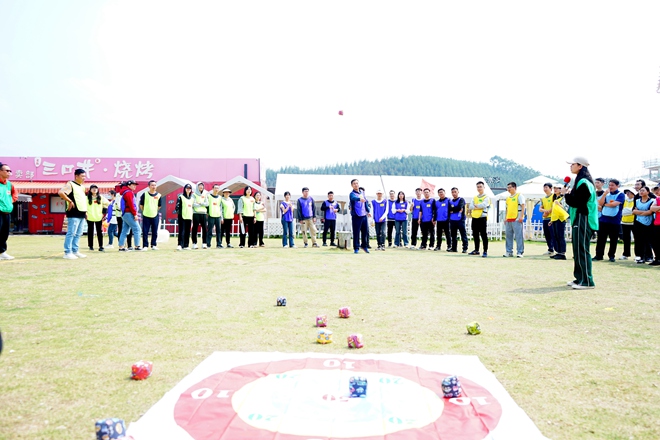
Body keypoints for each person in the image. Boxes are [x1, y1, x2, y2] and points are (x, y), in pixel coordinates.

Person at [563, 157, 598, 289]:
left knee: (582, 250)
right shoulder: (581, 181)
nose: (570, 166)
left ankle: (587, 281)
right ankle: (579, 278)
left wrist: (566, 195)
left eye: (573, 164)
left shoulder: (584, 182)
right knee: (577, 250)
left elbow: (578, 202)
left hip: (584, 218)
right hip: (580, 217)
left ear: (580, 166)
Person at [58, 169, 89, 259]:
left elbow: (82, 200)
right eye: (82, 176)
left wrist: (86, 212)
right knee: (71, 233)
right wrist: (70, 201)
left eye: (85, 176)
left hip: (82, 212)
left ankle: (75, 251)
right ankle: (67, 252)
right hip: (73, 212)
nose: (84, 178)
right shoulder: (70, 184)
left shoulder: (82, 187)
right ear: (76, 176)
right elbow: (61, 192)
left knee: (79, 233)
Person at [594, 178, 625, 262]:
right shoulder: (606, 194)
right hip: (604, 219)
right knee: (601, 238)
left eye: (612, 185)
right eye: (609, 185)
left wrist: (605, 204)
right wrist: (604, 195)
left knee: (613, 239)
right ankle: (599, 255)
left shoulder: (621, 194)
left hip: (615, 220)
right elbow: (600, 203)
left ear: (617, 186)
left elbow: (614, 204)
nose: (610, 187)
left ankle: (611, 255)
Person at [118, 180, 144, 252]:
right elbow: (131, 205)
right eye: (133, 185)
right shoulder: (129, 193)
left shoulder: (125, 192)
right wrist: (135, 214)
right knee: (137, 229)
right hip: (129, 213)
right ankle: (137, 246)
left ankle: (121, 247)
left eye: (135, 185)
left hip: (125, 213)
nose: (135, 186)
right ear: (128, 185)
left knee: (125, 230)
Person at [632, 186, 654, 264]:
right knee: (638, 240)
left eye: (643, 190)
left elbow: (650, 212)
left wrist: (639, 212)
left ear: (648, 192)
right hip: (638, 222)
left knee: (647, 240)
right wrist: (643, 212)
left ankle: (648, 256)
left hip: (648, 223)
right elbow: (634, 211)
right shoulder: (637, 201)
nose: (641, 192)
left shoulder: (652, 201)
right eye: (640, 190)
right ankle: (640, 256)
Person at [503, 182, 525, 258]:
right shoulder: (508, 198)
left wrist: (521, 216)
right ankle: (509, 251)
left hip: (517, 219)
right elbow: (507, 209)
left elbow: (523, 206)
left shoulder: (519, 195)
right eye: (508, 187)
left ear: (514, 187)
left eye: (510, 187)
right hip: (509, 219)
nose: (508, 189)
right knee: (508, 236)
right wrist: (505, 218)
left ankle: (520, 251)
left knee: (518, 236)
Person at [0, 162, 17, 260]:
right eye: (7, 170)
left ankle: (2, 252)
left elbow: (15, 194)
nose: (9, 172)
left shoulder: (9, 184)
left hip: (7, 212)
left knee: (4, 233)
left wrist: (10, 202)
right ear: (0, 171)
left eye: (10, 171)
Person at [468, 181, 490, 257]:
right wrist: (478, 206)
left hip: (482, 218)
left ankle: (485, 251)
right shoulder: (475, 197)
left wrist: (476, 206)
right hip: (474, 218)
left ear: (484, 187)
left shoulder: (486, 197)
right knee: (475, 234)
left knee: (483, 235)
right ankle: (476, 250)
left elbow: (484, 205)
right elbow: (470, 206)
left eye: (480, 187)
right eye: (478, 187)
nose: (479, 188)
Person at [140, 179, 162, 251]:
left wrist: (153, 210)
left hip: (155, 215)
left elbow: (159, 206)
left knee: (155, 231)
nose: (154, 186)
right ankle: (145, 246)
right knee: (145, 231)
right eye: (152, 185)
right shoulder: (144, 194)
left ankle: (153, 245)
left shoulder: (159, 195)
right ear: (149, 186)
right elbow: (141, 205)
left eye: (155, 185)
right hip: (146, 215)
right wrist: (146, 210)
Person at [349, 179, 370, 253]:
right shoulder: (352, 194)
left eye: (357, 183)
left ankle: (364, 246)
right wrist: (359, 199)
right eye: (354, 183)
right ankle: (356, 247)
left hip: (364, 215)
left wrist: (368, 211)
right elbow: (353, 198)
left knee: (365, 231)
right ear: (352, 185)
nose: (356, 185)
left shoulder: (362, 192)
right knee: (356, 232)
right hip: (356, 215)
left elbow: (365, 202)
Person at [549, 183, 569, 260]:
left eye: (557, 188)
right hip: (555, 219)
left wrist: (559, 204)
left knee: (560, 236)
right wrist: (551, 220)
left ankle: (562, 253)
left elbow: (565, 208)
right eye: (554, 188)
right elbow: (554, 211)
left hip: (561, 219)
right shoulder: (555, 198)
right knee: (555, 236)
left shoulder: (564, 198)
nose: (555, 189)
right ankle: (558, 252)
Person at [86, 185, 109, 252]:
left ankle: (101, 246)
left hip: (98, 216)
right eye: (93, 188)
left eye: (96, 188)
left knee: (99, 232)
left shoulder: (101, 197)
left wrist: (103, 212)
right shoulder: (87, 198)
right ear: (90, 190)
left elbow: (107, 204)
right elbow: (83, 205)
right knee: (90, 232)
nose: (94, 189)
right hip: (89, 216)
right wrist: (85, 213)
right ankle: (90, 246)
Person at [448, 187, 468, 253]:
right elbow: (449, 209)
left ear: (458, 192)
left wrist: (453, 210)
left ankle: (465, 248)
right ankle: (454, 248)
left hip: (460, 220)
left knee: (463, 234)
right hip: (452, 220)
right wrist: (455, 209)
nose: (454, 193)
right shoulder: (450, 201)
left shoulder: (461, 199)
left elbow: (459, 207)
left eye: (455, 192)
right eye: (452, 192)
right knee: (453, 235)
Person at [619, 188, 636, 260]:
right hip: (624, 221)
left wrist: (627, 211)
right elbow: (622, 211)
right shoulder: (625, 200)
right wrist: (628, 211)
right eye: (627, 192)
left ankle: (637, 255)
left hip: (633, 222)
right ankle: (626, 254)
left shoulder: (636, 200)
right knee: (626, 239)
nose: (628, 194)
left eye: (629, 192)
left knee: (637, 239)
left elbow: (634, 211)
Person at [538, 183, 555, 257]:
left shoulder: (554, 196)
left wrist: (547, 212)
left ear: (551, 188)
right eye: (544, 188)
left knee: (553, 234)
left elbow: (554, 206)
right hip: (545, 218)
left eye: (546, 187)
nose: (545, 189)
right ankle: (550, 249)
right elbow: (540, 208)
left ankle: (555, 249)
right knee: (547, 234)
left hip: (552, 218)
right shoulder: (543, 199)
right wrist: (545, 211)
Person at [176, 184, 194, 250]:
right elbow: (177, 207)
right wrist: (180, 214)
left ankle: (186, 245)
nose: (188, 189)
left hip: (189, 217)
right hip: (182, 216)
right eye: (187, 188)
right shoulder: (181, 197)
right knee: (181, 231)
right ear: (184, 189)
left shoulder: (192, 199)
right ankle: (180, 244)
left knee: (187, 231)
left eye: (190, 188)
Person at [192, 182, 209, 249]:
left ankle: (204, 243)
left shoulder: (205, 194)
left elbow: (207, 204)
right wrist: (202, 204)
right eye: (199, 186)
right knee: (195, 228)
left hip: (203, 213)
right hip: (196, 213)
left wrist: (200, 203)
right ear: (197, 187)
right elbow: (193, 204)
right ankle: (194, 243)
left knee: (204, 228)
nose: (201, 187)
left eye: (202, 186)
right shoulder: (194, 194)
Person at [650, 193, 660, 266]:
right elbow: (652, 208)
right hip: (657, 223)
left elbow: (655, 208)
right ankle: (658, 258)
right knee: (655, 242)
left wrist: (657, 208)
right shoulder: (657, 199)